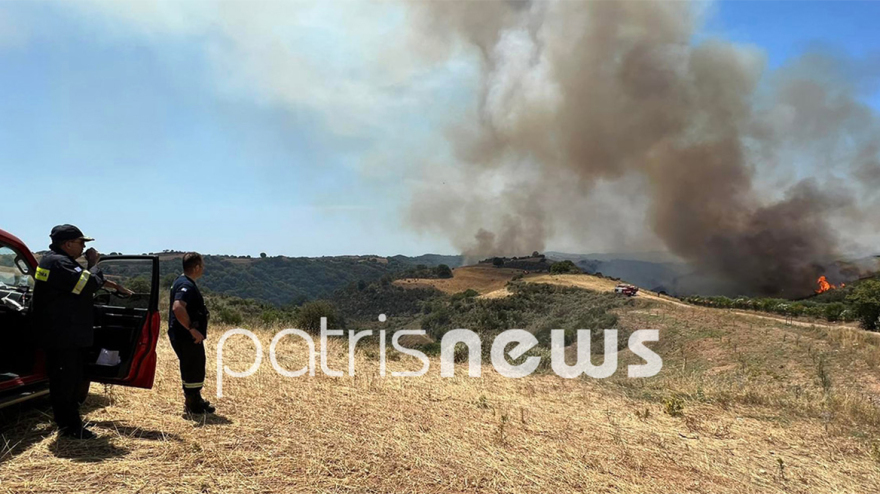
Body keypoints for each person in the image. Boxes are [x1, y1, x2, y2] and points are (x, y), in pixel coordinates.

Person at [31, 224, 132, 439]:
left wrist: (112, 285)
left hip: (61, 333)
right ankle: (70, 427)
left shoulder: (54, 261)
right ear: (67, 244)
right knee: (65, 383)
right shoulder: (59, 263)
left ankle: (67, 421)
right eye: (81, 242)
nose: (84, 247)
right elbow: (87, 284)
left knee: (67, 380)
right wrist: (94, 263)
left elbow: (77, 287)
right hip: (63, 336)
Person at [169, 252, 214, 414]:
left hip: (183, 335)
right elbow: (178, 307)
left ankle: (195, 399)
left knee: (192, 367)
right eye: (201, 266)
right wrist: (192, 329)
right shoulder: (186, 285)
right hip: (186, 336)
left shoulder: (181, 281)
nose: (203, 269)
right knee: (193, 367)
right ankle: (193, 404)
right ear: (195, 267)